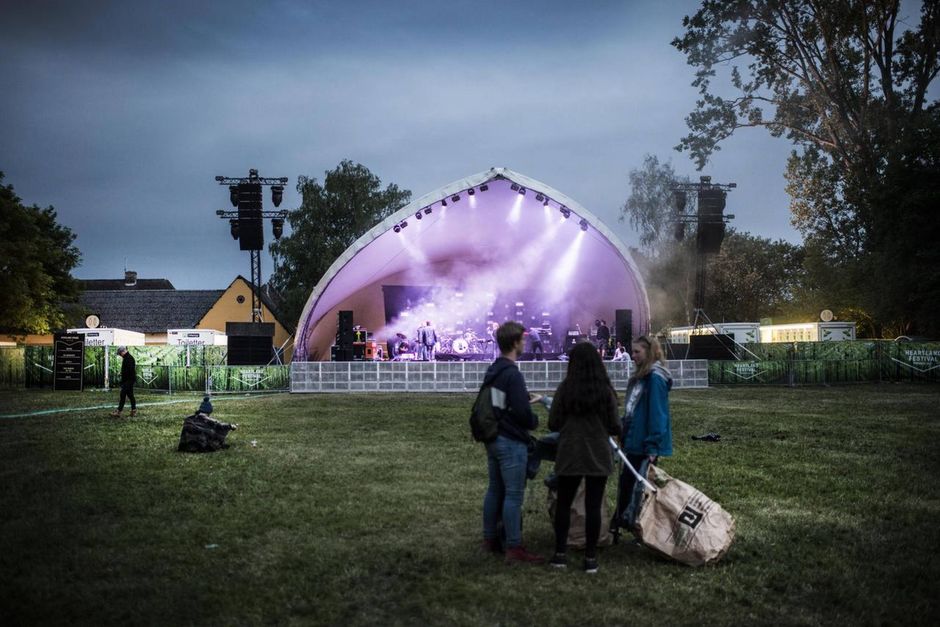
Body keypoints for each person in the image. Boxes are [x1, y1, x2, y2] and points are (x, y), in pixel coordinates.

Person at [547, 342, 621, 573]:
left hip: (570, 451)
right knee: (593, 507)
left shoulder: (565, 389)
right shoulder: (605, 391)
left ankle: (560, 555)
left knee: (564, 504)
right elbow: (615, 426)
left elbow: (553, 423)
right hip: (598, 453)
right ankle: (590, 558)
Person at [481, 321, 544, 564]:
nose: (525, 343)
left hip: (494, 437)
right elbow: (522, 413)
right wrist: (533, 419)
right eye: (523, 340)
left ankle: (489, 539)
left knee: (495, 489)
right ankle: (514, 547)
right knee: (514, 494)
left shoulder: (495, 370)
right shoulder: (512, 374)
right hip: (511, 441)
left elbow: (498, 403)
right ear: (516, 342)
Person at [613, 335, 673, 535]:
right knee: (627, 482)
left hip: (645, 443)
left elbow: (657, 414)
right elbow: (632, 409)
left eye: (637, 351)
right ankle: (620, 519)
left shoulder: (655, 379)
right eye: (633, 351)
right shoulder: (641, 377)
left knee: (641, 487)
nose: (633, 355)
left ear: (649, 352)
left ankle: (637, 523)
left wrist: (653, 445)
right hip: (634, 440)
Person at [110, 346, 137, 417]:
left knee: (123, 394)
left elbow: (130, 371)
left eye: (119, 354)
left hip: (129, 380)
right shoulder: (127, 358)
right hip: (128, 380)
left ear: (123, 352)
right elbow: (127, 369)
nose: (120, 355)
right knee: (130, 395)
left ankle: (119, 411)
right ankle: (133, 410)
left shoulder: (129, 358)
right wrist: (122, 373)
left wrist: (123, 374)